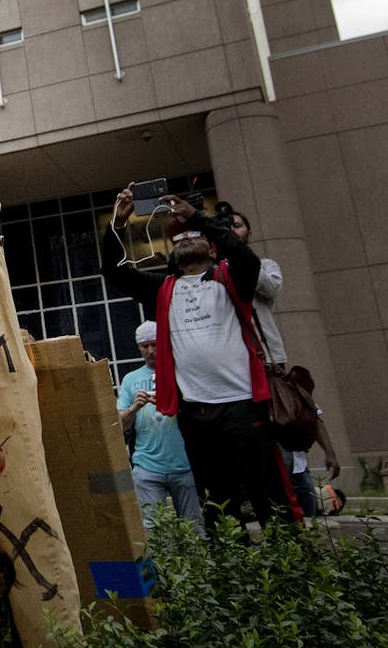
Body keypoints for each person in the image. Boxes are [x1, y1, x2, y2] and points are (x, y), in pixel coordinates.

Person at [101, 184, 300, 527]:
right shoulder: (164, 289)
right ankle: (228, 571)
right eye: (178, 239)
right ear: (171, 255)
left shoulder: (231, 278)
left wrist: (199, 218)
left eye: (194, 236)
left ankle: (290, 570)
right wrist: (118, 225)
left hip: (243, 405)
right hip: (196, 413)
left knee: (269, 497)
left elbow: (244, 256)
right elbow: (114, 272)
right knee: (218, 505)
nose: (186, 240)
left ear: (212, 249)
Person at [217, 202, 341, 514]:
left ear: (248, 232)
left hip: (268, 363)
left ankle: (292, 512)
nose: (232, 230)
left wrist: (237, 256)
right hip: (231, 368)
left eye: (237, 225)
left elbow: (270, 288)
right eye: (226, 225)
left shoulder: (264, 265)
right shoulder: (213, 272)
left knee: (284, 424)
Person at [116, 320, 204, 535]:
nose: (151, 351)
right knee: (153, 530)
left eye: (155, 344)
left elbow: (201, 411)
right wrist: (134, 408)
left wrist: (173, 404)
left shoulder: (181, 372)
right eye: (144, 346)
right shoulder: (131, 379)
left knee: (193, 528)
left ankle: (197, 568)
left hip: (185, 464)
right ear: (138, 347)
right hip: (147, 465)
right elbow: (119, 425)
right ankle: (161, 569)